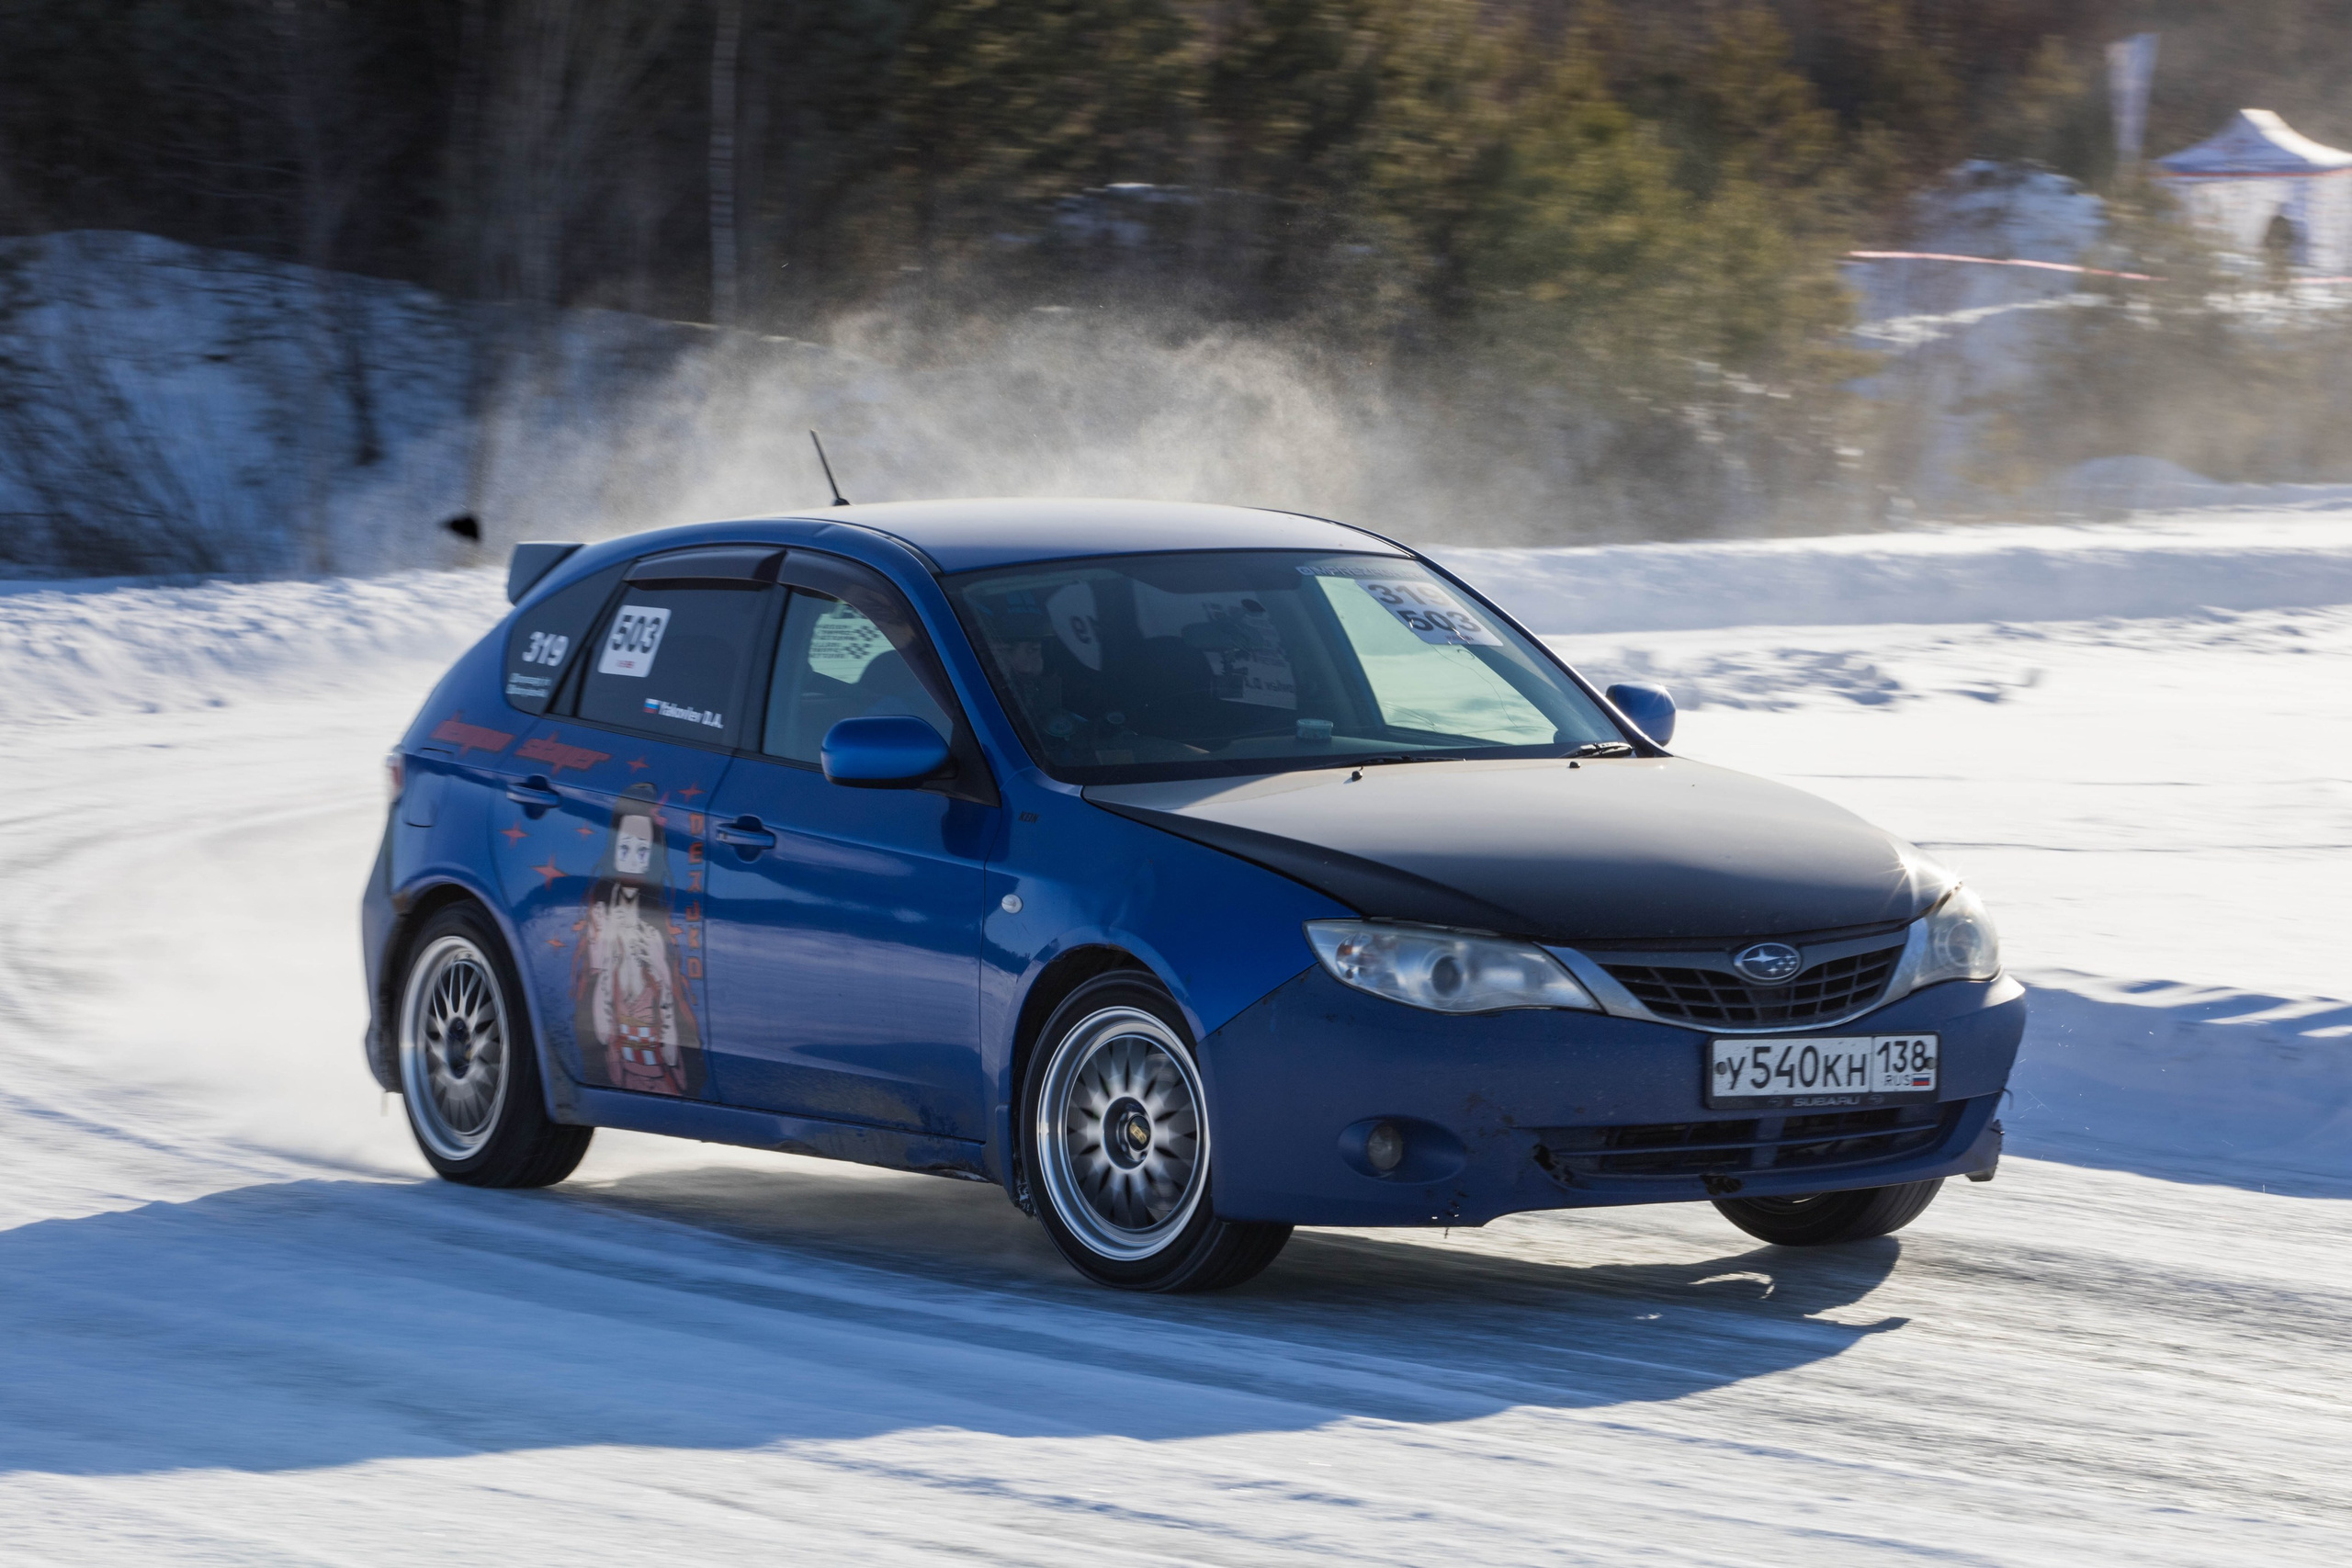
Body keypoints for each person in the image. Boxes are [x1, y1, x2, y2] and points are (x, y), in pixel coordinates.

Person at [571, 782, 704, 1096]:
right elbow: (599, 1013)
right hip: (618, 1045)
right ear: (613, 850)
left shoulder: (654, 928)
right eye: (625, 849)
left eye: (643, 851)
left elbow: (669, 997)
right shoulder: (600, 915)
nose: (632, 860)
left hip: (654, 1047)